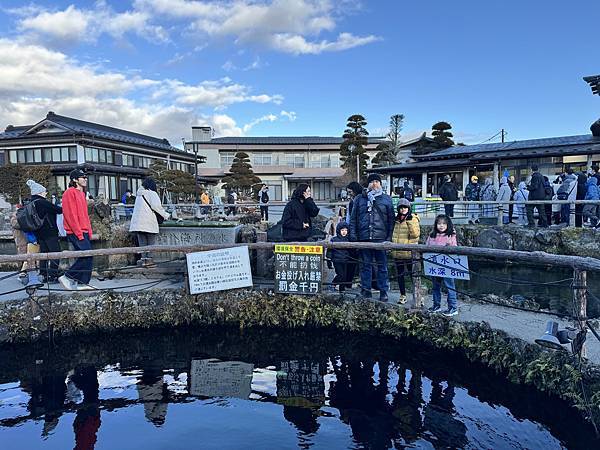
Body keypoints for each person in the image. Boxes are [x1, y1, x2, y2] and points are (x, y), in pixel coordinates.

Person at [349, 173, 394, 302]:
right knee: (365, 266)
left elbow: (391, 220)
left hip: (381, 238)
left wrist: (389, 238)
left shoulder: (386, 199)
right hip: (364, 238)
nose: (374, 184)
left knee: (382, 267)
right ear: (367, 184)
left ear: (380, 184)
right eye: (372, 181)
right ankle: (366, 290)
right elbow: (353, 219)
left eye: (377, 181)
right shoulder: (359, 199)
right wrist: (353, 236)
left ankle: (383, 291)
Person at [59, 168, 94, 291]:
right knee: (87, 256)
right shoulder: (69, 193)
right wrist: (78, 233)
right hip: (75, 231)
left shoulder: (82, 193)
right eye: (82, 177)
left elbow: (84, 214)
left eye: (85, 177)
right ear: (75, 179)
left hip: (83, 230)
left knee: (87, 256)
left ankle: (82, 283)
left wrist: (89, 231)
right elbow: (70, 215)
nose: (85, 179)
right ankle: (67, 276)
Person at [26, 179, 63, 283]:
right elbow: (59, 210)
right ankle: (52, 275)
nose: (46, 193)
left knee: (43, 254)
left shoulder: (31, 203)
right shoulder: (42, 202)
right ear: (39, 192)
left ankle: (43, 274)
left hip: (38, 233)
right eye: (44, 191)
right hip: (50, 232)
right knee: (55, 254)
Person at [129, 177, 170, 266]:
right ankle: (149, 261)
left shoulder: (139, 195)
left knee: (142, 243)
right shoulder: (152, 194)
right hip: (148, 222)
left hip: (138, 224)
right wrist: (166, 215)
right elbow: (157, 207)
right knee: (151, 243)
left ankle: (143, 260)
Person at [426, 214, 458, 316]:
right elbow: (426, 247)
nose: (441, 226)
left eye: (444, 223)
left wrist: (449, 244)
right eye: (439, 223)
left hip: (447, 265)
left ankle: (453, 307)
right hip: (435, 266)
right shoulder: (432, 235)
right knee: (435, 286)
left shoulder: (451, 235)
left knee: (450, 287)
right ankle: (436, 305)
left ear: (448, 225)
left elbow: (455, 248)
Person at [391, 198, 420, 304]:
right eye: (401, 207)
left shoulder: (413, 219)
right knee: (400, 276)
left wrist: (409, 222)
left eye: (405, 207)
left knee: (413, 276)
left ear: (409, 208)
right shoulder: (396, 220)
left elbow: (415, 235)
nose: (403, 209)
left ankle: (417, 295)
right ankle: (402, 295)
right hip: (398, 252)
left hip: (409, 252)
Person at [326, 221, 357, 292]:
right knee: (340, 275)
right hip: (337, 260)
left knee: (344, 276)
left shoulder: (349, 240)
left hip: (346, 260)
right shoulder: (334, 239)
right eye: (342, 230)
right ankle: (333, 284)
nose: (344, 232)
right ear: (339, 230)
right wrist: (329, 259)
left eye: (346, 230)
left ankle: (342, 290)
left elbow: (351, 251)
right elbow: (329, 251)